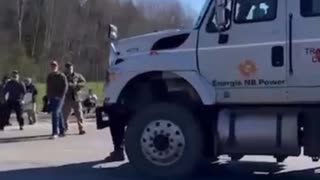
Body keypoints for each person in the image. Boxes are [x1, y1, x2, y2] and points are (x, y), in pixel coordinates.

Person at [62, 62, 86, 135]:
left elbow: (83, 82)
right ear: (65, 69)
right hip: (66, 98)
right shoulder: (63, 76)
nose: (70, 70)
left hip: (76, 97)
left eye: (71, 68)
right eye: (68, 68)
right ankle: (65, 128)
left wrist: (76, 86)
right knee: (65, 114)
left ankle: (81, 128)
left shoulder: (77, 76)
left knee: (79, 113)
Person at [46, 61, 68, 139]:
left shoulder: (62, 76)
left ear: (57, 67)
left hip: (60, 98)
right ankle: (62, 131)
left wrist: (61, 96)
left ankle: (55, 132)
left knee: (55, 113)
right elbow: (48, 87)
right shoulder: (49, 76)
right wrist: (48, 97)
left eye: (55, 66)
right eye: (52, 66)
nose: (53, 67)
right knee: (59, 113)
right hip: (52, 97)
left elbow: (65, 87)